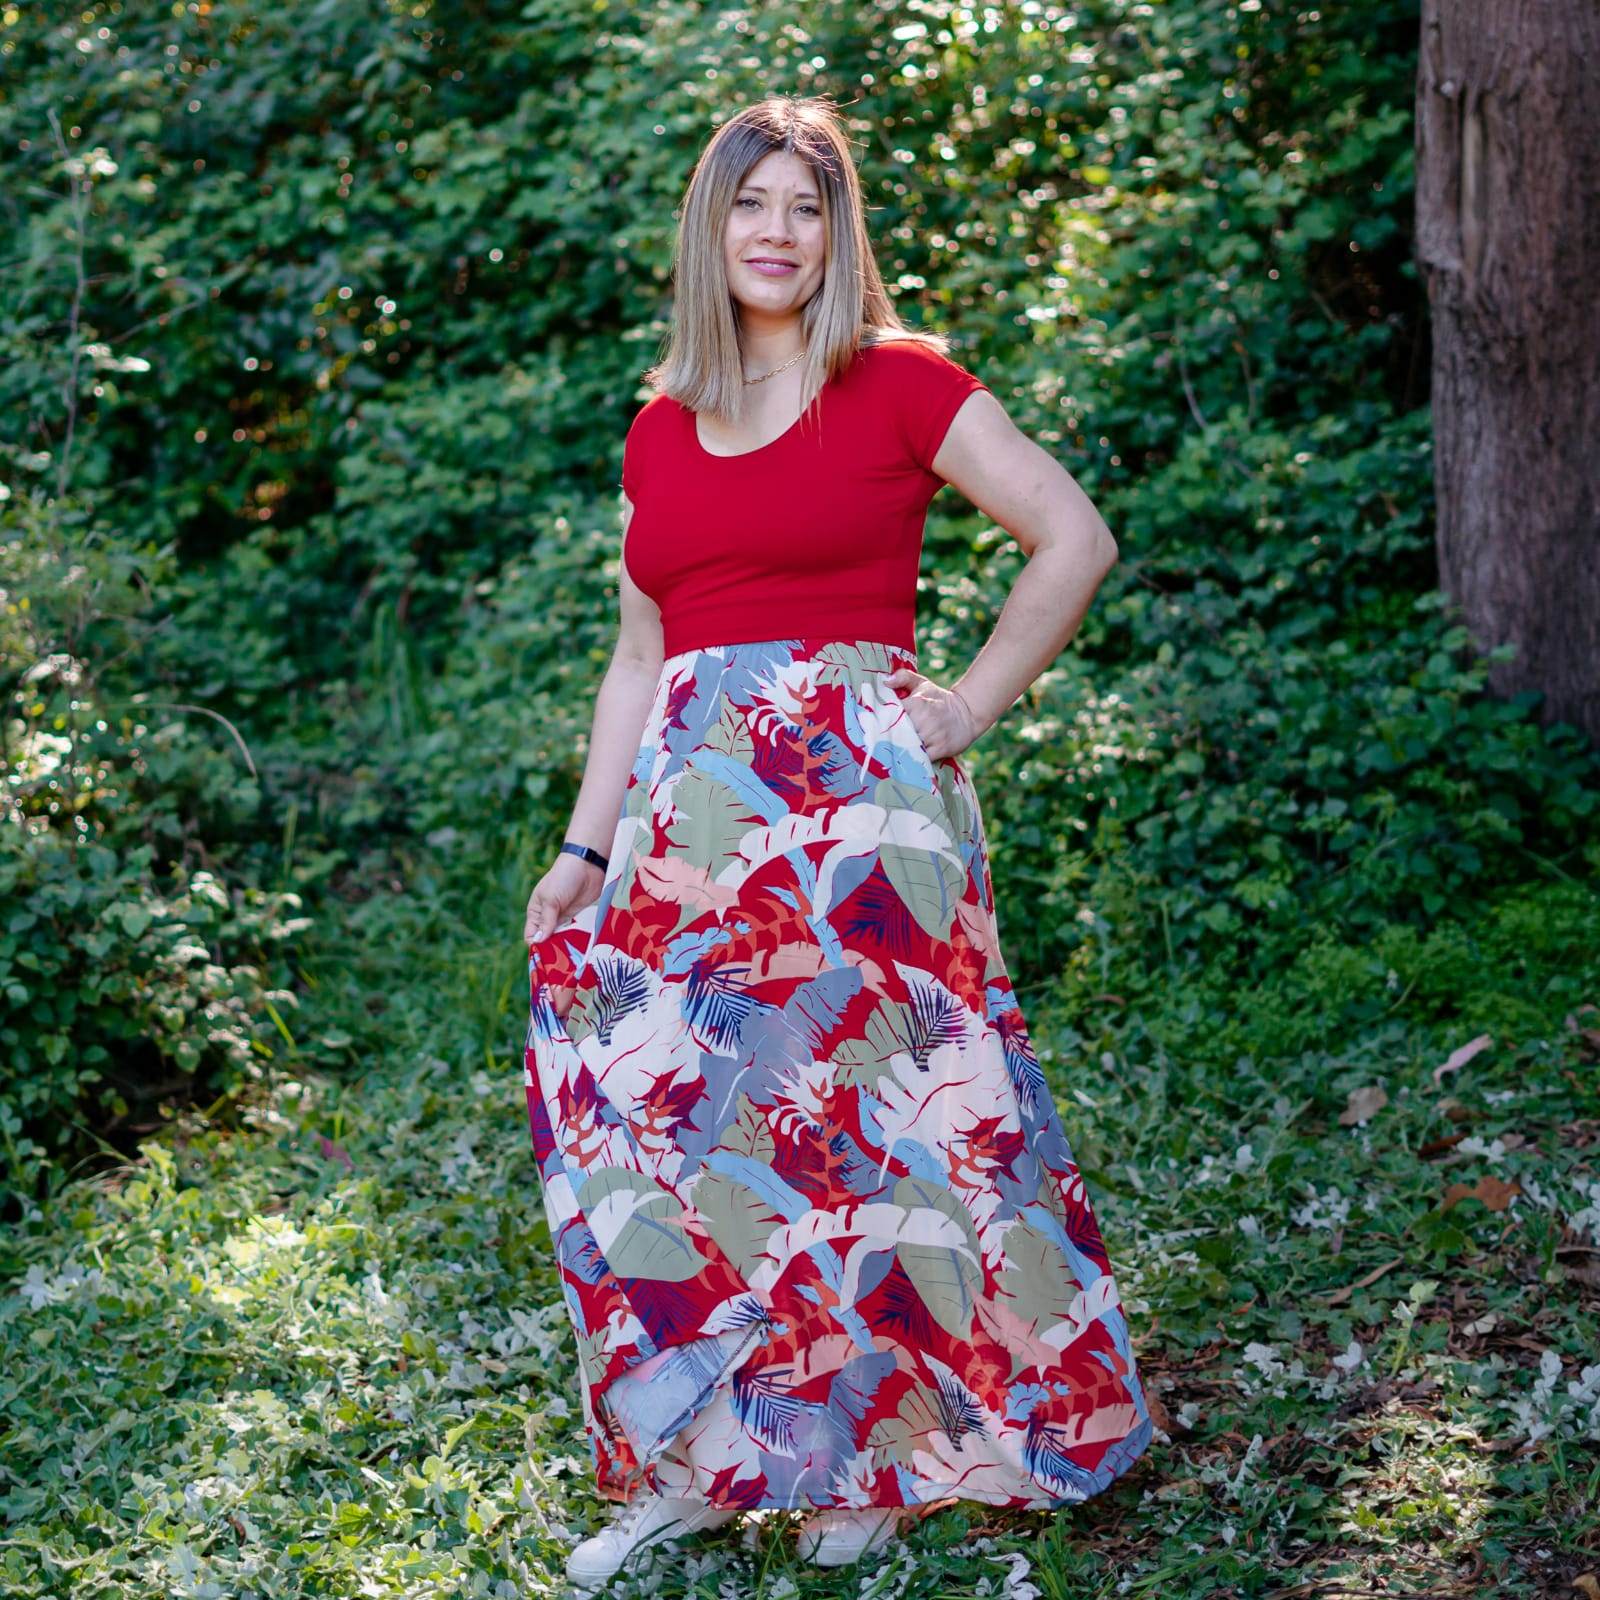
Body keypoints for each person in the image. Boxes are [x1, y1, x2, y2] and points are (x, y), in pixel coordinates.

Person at [521, 96, 1152, 1589]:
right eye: (752, 205)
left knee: (880, 1136)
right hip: (687, 836)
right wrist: (585, 848)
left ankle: (884, 1451)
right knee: (675, 1130)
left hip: (857, 832)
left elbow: (1073, 535)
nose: (778, 234)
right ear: (710, 226)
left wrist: (968, 707)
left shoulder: (901, 386)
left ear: (838, 229)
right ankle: (710, 1450)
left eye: (807, 207)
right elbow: (639, 661)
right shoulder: (659, 425)